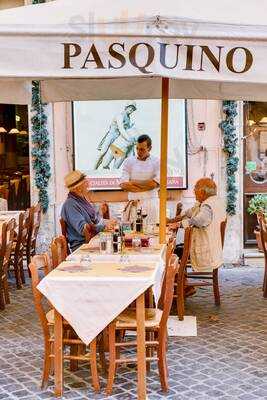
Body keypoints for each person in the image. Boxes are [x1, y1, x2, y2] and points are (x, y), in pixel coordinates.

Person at [169, 178, 226, 272]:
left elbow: (198, 221)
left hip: (207, 252)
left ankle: (178, 282)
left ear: (202, 192)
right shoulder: (213, 202)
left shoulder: (208, 205)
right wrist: (173, 220)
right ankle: (183, 283)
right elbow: (190, 212)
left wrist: (179, 224)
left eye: (195, 188)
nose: (194, 191)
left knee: (173, 252)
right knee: (177, 248)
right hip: (214, 250)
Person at [61, 170, 115, 252]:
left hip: (92, 240)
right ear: (78, 188)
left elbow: (95, 221)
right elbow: (84, 229)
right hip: (82, 246)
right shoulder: (70, 204)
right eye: (85, 182)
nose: (88, 184)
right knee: (112, 249)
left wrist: (107, 221)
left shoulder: (81, 199)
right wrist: (104, 227)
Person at [120, 134, 160, 225]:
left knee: (152, 234)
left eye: (142, 149)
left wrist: (132, 183)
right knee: (132, 235)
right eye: (137, 148)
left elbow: (153, 184)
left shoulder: (157, 162)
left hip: (151, 205)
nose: (138, 151)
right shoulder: (128, 161)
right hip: (133, 205)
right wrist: (146, 185)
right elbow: (123, 185)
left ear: (149, 148)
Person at [95, 101, 138, 170]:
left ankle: (111, 168)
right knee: (103, 152)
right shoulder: (120, 116)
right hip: (111, 136)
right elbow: (121, 129)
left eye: (133, 109)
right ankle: (94, 169)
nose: (131, 110)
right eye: (130, 108)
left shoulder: (128, 118)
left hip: (118, 138)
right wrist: (129, 138)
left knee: (119, 152)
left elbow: (127, 130)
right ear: (127, 107)